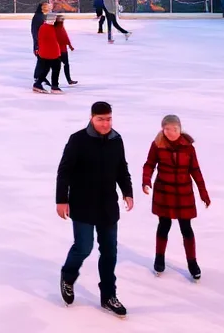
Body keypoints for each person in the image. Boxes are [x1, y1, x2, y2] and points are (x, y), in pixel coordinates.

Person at [55, 101, 134, 319]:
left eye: (108, 119)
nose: (105, 123)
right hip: (82, 203)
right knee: (83, 247)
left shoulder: (116, 140)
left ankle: (109, 295)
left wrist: (127, 191)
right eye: (100, 119)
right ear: (91, 118)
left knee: (109, 251)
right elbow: (64, 172)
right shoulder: (78, 140)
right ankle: (68, 276)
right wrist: (62, 199)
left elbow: (121, 168)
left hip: (108, 205)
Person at [141, 114, 210, 280]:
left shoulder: (188, 147)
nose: (171, 132)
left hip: (183, 192)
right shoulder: (158, 145)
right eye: (167, 129)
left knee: (186, 227)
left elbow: (195, 170)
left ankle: (192, 262)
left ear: (180, 128)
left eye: (175, 129)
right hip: (164, 192)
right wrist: (146, 181)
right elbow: (149, 164)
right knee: (164, 224)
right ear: (163, 130)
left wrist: (203, 192)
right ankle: (159, 258)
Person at [34, 14, 60, 93]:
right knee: (54, 68)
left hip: (49, 53)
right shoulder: (47, 28)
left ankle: (39, 84)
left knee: (47, 69)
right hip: (50, 53)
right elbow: (50, 41)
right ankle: (54, 86)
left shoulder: (46, 27)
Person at [54, 15, 78, 88]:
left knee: (65, 65)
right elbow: (62, 38)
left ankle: (69, 80)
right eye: (61, 20)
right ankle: (54, 82)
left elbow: (65, 37)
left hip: (63, 49)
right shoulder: (56, 29)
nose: (62, 22)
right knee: (57, 67)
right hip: (57, 50)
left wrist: (70, 45)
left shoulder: (61, 28)